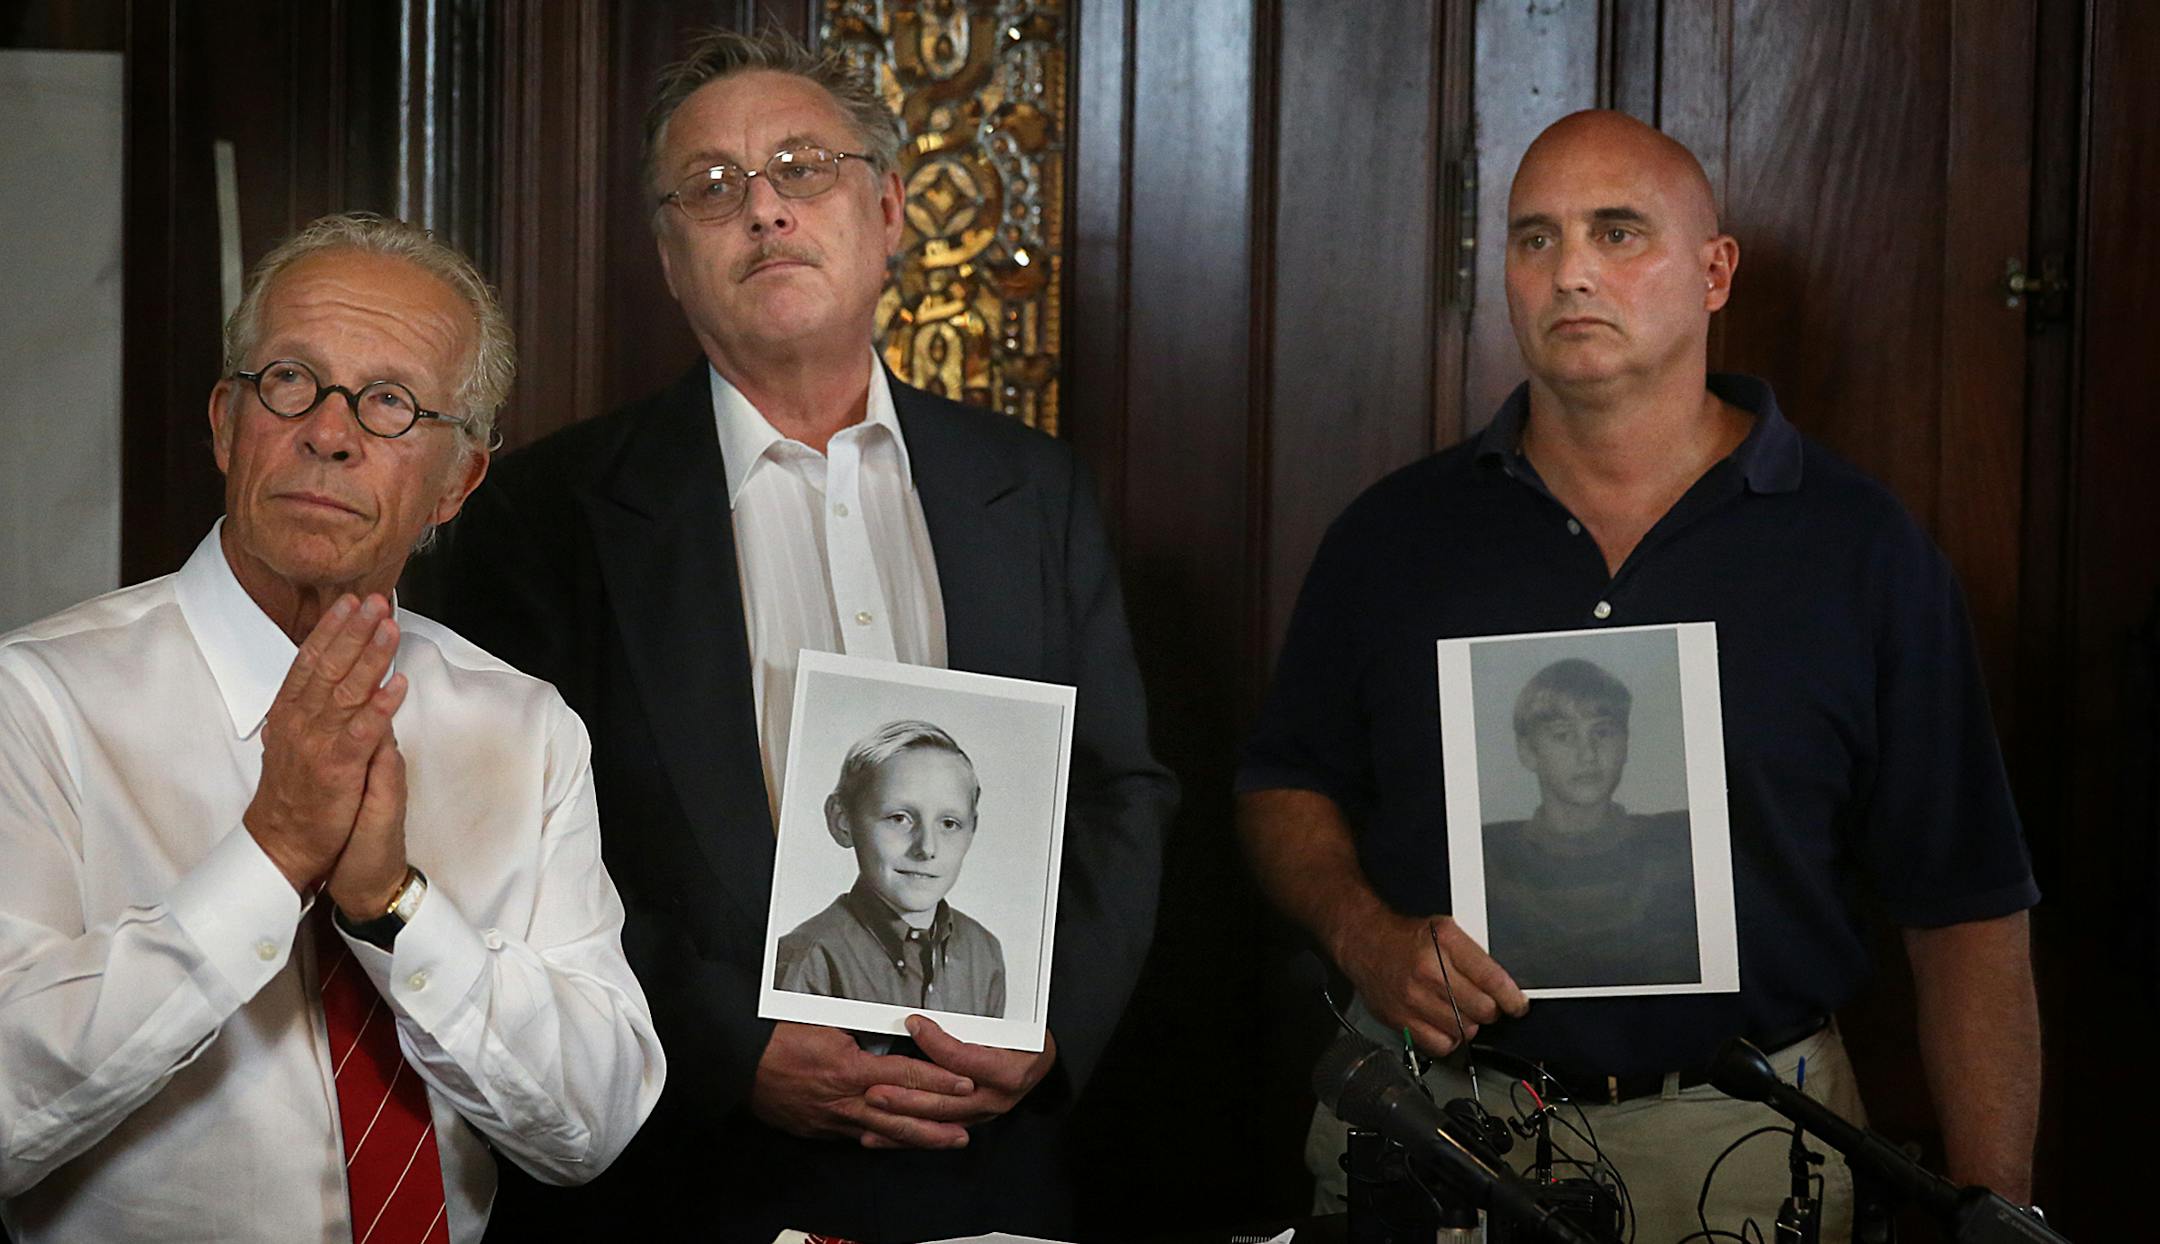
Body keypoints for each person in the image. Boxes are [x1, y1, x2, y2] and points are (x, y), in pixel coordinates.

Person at [413, 25, 1174, 1242]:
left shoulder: (1032, 491)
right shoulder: (547, 513)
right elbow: (496, 841)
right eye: (711, 189)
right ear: (669, 257)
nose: (762, 209)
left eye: (800, 169)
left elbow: (1121, 791)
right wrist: (732, 1046)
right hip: (692, 1165)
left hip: (990, 1159)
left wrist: (1047, 1027)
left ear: (888, 210)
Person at [1238, 109, 2040, 1242]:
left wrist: (1999, 1207)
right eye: (1534, 239)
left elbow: (1965, 904)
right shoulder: (1393, 538)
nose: (1571, 271)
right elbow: (1284, 780)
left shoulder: (1860, 550)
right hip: (1436, 1138)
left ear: (1716, 273)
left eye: (1619, 234)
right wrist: (1363, 929)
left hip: (1748, 1146)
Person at [0, 213, 665, 1243]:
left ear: (457, 480)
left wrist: (391, 907)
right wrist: (271, 857)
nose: (330, 428)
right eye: (292, 381)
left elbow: (592, 1122)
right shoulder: (36, 699)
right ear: (228, 422)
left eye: (391, 400)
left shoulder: (526, 729)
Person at [1481, 657, 1698, 990]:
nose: (1588, 754)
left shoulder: (1681, 846)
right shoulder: (1488, 863)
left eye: (1602, 732)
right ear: (1528, 752)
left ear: (1625, 742)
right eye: (1563, 735)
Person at [774, 719, 1006, 1017]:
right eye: (899, 818)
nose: (927, 848)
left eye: (949, 824)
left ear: (972, 830)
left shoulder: (984, 952)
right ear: (842, 819)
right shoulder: (807, 959)